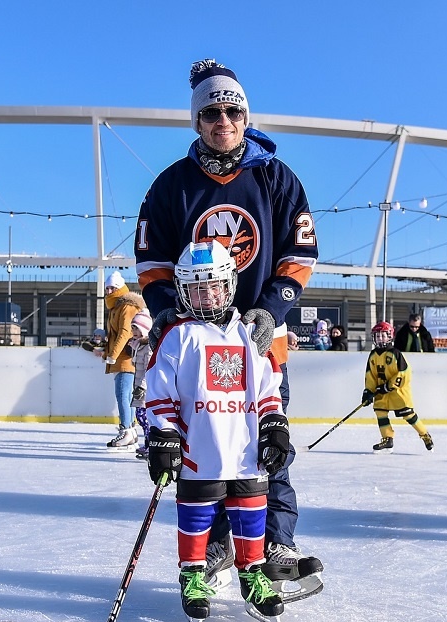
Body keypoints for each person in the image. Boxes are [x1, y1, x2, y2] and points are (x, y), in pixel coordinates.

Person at [135, 58, 322, 589]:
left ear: (246, 118)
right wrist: (168, 312)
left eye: (233, 112)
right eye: (212, 113)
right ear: (197, 120)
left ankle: (276, 541)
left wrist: (272, 308)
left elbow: (300, 252)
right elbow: (151, 261)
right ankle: (217, 543)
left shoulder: (276, 178)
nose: (224, 121)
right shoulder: (171, 186)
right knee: (204, 450)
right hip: (196, 346)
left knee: (268, 445)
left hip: (260, 342)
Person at [145, 241, 285, 622]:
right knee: (196, 512)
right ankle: (192, 574)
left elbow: (268, 389)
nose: (206, 295)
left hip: (246, 448)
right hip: (199, 448)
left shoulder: (250, 334)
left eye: (214, 286)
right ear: (182, 291)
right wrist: (164, 436)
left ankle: (252, 573)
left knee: (252, 510)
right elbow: (160, 393)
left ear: (230, 285)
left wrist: (274, 426)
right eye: (196, 288)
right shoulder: (178, 336)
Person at [361, 321, 434, 453]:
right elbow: (370, 375)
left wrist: (389, 386)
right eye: (377, 336)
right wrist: (368, 391)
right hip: (381, 392)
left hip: (398, 392)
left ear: (389, 336)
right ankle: (387, 439)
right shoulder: (373, 355)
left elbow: (405, 373)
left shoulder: (395, 353)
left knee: (409, 415)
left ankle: (425, 435)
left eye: (383, 335)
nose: (380, 338)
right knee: (380, 411)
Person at [102, 270, 146, 449]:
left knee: (123, 394)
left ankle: (126, 430)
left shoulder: (126, 307)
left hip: (126, 357)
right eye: (107, 288)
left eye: (112, 288)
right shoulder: (116, 307)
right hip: (122, 356)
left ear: (120, 288)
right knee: (127, 396)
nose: (109, 291)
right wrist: (107, 353)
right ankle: (131, 431)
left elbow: (125, 332)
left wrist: (113, 355)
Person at [129, 310, 153, 458]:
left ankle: (151, 446)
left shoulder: (148, 347)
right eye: (133, 328)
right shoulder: (139, 346)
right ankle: (148, 444)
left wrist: (142, 387)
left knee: (144, 417)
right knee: (141, 417)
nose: (133, 332)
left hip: (145, 389)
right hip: (139, 387)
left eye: (136, 328)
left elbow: (149, 369)